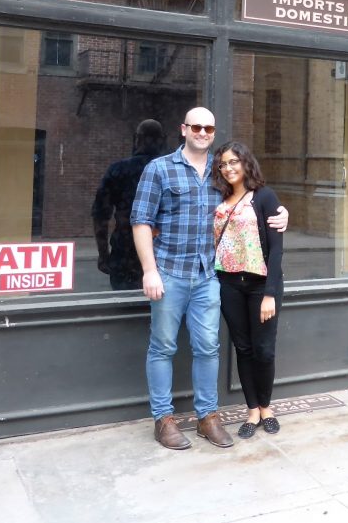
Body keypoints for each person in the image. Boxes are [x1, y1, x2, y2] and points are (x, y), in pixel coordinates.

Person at [130, 107, 288, 450]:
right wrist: (149, 270)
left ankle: (207, 417)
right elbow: (140, 221)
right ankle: (164, 420)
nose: (202, 132)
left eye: (209, 128)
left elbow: (253, 198)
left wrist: (281, 213)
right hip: (169, 273)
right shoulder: (159, 169)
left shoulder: (219, 178)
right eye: (196, 126)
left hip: (208, 278)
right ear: (183, 128)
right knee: (163, 347)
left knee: (208, 348)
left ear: (213, 133)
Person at [212, 141, 284, 438]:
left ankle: (267, 408)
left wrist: (270, 293)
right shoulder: (218, 199)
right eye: (223, 164)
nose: (228, 168)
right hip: (228, 283)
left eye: (233, 162)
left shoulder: (264, 197)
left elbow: (277, 249)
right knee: (242, 348)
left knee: (263, 350)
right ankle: (252, 410)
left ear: (245, 163)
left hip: (259, 285)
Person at [91, 119, 167, 291]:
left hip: (125, 249)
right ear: (162, 139)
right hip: (163, 250)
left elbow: (100, 216)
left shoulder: (118, 170)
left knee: (125, 309)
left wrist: (103, 254)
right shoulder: (170, 171)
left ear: (136, 139)